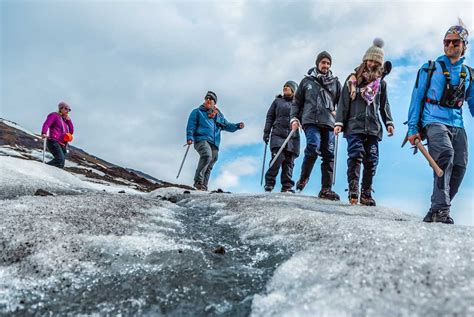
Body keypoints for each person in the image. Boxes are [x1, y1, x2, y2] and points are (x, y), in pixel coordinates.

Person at [406, 21, 473, 224]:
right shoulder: (429, 68)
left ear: (464, 45)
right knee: (445, 154)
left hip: (457, 124)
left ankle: (437, 208)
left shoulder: (470, 73)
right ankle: (441, 209)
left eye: (455, 42)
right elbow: (416, 98)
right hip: (433, 120)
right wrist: (412, 128)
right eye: (446, 42)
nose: (450, 46)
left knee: (460, 165)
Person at [334, 38, 394, 206]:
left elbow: (384, 105)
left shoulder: (381, 84)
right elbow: (343, 102)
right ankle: (353, 190)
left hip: (374, 127)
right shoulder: (353, 80)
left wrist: (389, 122)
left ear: (379, 63)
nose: (372, 62)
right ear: (365, 59)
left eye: (376, 60)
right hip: (354, 126)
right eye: (370, 59)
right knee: (356, 155)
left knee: (372, 159)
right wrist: (339, 122)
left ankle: (366, 192)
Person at [290, 51, 342, 200]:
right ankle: (303, 178)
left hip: (329, 123)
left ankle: (326, 189)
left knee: (329, 154)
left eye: (328, 63)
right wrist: (294, 118)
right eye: (323, 62)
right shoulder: (306, 81)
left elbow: (341, 104)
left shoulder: (335, 83)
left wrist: (339, 118)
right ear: (317, 63)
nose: (325, 65)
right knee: (313, 145)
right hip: (310, 120)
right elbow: (297, 102)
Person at [186, 91, 245, 191]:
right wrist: (190, 137)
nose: (208, 100)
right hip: (201, 139)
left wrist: (237, 126)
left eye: (211, 99)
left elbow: (227, 125)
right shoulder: (197, 112)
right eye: (207, 98)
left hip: (215, 143)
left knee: (211, 163)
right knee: (206, 155)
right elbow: (191, 125)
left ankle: (203, 186)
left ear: (214, 102)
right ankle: (198, 182)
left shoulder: (219, 116)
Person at [263, 81, 300, 193]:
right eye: (284, 86)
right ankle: (269, 183)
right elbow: (270, 117)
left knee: (289, 162)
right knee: (277, 159)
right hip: (278, 134)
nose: (285, 88)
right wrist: (266, 132)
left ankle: (287, 186)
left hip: (292, 136)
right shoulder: (277, 101)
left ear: (294, 90)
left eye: (288, 86)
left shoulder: (298, 103)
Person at [41, 101, 74, 168]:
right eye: (66, 109)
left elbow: (71, 131)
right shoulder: (54, 115)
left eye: (69, 110)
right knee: (60, 160)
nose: (67, 111)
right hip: (54, 141)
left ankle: (50, 175)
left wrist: (69, 121)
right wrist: (44, 132)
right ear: (61, 108)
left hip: (63, 144)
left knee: (61, 164)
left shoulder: (64, 121)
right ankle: (42, 168)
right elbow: (47, 124)